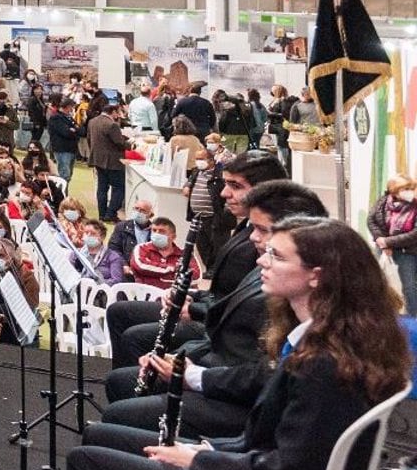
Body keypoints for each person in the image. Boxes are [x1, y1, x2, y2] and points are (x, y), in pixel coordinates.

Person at [65, 217, 411, 470]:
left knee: (89, 465)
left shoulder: (325, 363)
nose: (261, 259)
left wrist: (199, 460)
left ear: (316, 275)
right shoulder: (322, 339)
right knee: (99, 437)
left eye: (277, 256)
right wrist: (210, 449)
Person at [101, 182, 328, 439]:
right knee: (121, 380)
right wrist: (180, 360)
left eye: (263, 230)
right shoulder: (270, 273)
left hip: (236, 401)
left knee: (112, 421)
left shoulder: (297, 308)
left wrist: (195, 376)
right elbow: (227, 325)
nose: (256, 242)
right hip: (225, 377)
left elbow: (257, 372)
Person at [108, 152, 287, 366]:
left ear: (264, 190)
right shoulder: (246, 226)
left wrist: (191, 308)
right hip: (208, 309)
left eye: (236, 186)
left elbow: (237, 306)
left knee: (134, 338)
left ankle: (135, 383)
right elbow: (223, 291)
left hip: (213, 324)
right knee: (119, 311)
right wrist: (190, 294)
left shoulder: (262, 242)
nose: (224, 193)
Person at [365, 173, 417, 318]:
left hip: (407, 252)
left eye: (412, 188)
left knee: (409, 287)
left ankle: (413, 319)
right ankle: (379, 317)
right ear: (395, 190)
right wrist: (381, 241)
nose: (410, 191)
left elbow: (415, 234)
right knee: (379, 284)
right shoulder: (382, 203)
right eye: (406, 188)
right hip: (383, 250)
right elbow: (372, 221)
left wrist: (388, 242)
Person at [84, 94, 128, 222]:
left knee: (102, 188)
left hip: (98, 159)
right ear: (113, 112)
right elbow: (119, 143)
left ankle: (102, 214)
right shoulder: (112, 125)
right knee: (119, 188)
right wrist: (131, 145)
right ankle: (111, 213)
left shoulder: (92, 121)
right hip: (113, 161)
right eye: (118, 112)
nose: (118, 115)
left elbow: (89, 139)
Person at [127, 216, 184, 289]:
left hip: (176, 296)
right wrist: (173, 268)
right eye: (154, 230)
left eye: (161, 231)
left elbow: (196, 276)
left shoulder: (184, 253)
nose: (157, 234)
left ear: (173, 237)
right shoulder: (141, 248)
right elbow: (141, 266)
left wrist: (156, 271)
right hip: (146, 296)